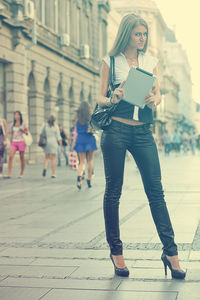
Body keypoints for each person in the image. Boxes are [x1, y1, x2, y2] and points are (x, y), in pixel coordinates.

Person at [99, 14, 185, 279]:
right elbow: (99, 98)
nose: (142, 39)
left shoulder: (150, 62)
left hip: (143, 132)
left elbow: (157, 94)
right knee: (113, 192)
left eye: (145, 34)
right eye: (138, 34)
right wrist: (113, 96)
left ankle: (171, 253)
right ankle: (116, 252)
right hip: (116, 129)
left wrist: (154, 99)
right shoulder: (110, 62)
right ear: (127, 34)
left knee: (156, 193)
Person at [74, 101, 97, 189]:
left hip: (80, 139)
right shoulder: (91, 118)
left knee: (82, 161)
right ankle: (89, 179)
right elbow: (93, 129)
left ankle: (79, 177)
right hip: (89, 139)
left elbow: (77, 129)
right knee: (90, 161)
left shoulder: (78, 119)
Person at [5, 111, 28, 178]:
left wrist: (22, 129)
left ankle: (21, 173)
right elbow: (12, 134)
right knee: (10, 157)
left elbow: (27, 133)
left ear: (20, 116)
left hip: (21, 141)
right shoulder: (12, 124)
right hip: (14, 142)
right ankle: (9, 173)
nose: (16, 116)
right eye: (15, 115)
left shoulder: (23, 123)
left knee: (22, 158)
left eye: (17, 115)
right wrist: (10, 142)